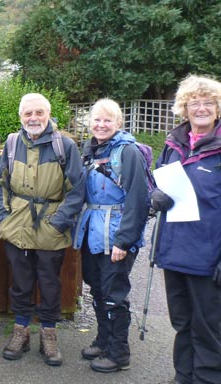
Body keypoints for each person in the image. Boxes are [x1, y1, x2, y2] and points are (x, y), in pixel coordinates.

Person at [0, 93, 84, 366]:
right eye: (28, 114)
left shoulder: (65, 146)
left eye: (39, 113)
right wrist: (3, 218)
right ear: (21, 116)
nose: (33, 118)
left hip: (51, 227)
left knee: (50, 284)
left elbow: (77, 190)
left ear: (48, 114)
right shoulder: (10, 144)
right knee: (20, 284)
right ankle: (20, 332)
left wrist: (59, 222)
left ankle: (49, 334)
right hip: (17, 225)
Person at [150, 75, 221, 384]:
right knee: (182, 322)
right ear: (184, 108)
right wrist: (156, 197)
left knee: (209, 326)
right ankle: (183, 376)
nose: (201, 108)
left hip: (208, 257)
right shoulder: (173, 143)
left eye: (209, 103)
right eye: (195, 103)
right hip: (174, 251)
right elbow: (160, 186)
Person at [73, 98, 149, 373]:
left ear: (118, 123)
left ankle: (119, 353)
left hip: (116, 234)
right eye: (96, 119)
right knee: (97, 288)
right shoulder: (90, 150)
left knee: (115, 293)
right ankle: (103, 340)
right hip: (92, 231)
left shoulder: (127, 152)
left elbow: (138, 199)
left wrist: (124, 241)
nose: (101, 124)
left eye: (108, 120)